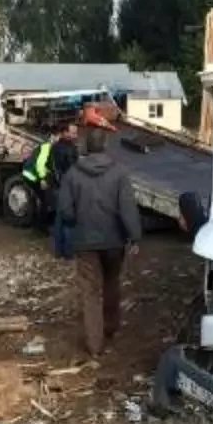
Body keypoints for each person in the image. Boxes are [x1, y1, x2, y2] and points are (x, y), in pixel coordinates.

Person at [56, 128, 143, 356]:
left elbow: (65, 210)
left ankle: (95, 345)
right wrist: (134, 237)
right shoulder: (119, 173)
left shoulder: (73, 174)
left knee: (90, 292)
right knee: (112, 282)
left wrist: (77, 220)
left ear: (85, 147)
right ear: (105, 145)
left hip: (85, 242)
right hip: (114, 241)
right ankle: (111, 326)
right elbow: (127, 209)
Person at [48, 121, 80, 258]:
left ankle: (59, 251)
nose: (75, 135)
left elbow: (53, 168)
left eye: (76, 132)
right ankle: (68, 252)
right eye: (73, 132)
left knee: (59, 219)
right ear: (65, 133)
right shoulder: (68, 148)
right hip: (66, 188)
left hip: (58, 187)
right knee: (69, 221)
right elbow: (71, 169)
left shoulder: (55, 147)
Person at [22, 127, 61, 231]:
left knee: (45, 200)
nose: (58, 140)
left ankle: (41, 225)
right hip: (31, 175)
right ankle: (41, 227)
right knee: (46, 200)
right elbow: (40, 164)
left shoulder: (48, 146)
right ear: (52, 137)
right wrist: (43, 179)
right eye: (58, 137)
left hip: (31, 175)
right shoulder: (46, 146)